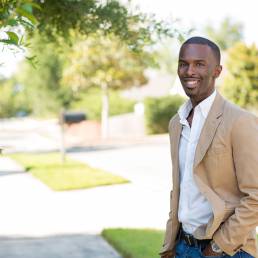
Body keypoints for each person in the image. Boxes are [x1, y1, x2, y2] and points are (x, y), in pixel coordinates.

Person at [159, 36, 258, 258]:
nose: (189, 71)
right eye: (183, 64)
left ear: (217, 71)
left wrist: (216, 248)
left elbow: (255, 196)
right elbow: (180, 189)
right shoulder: (177, 123)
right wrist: (170, 245)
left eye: (199, 64)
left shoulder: (239, 121)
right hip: (183, 247)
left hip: (228, 251)